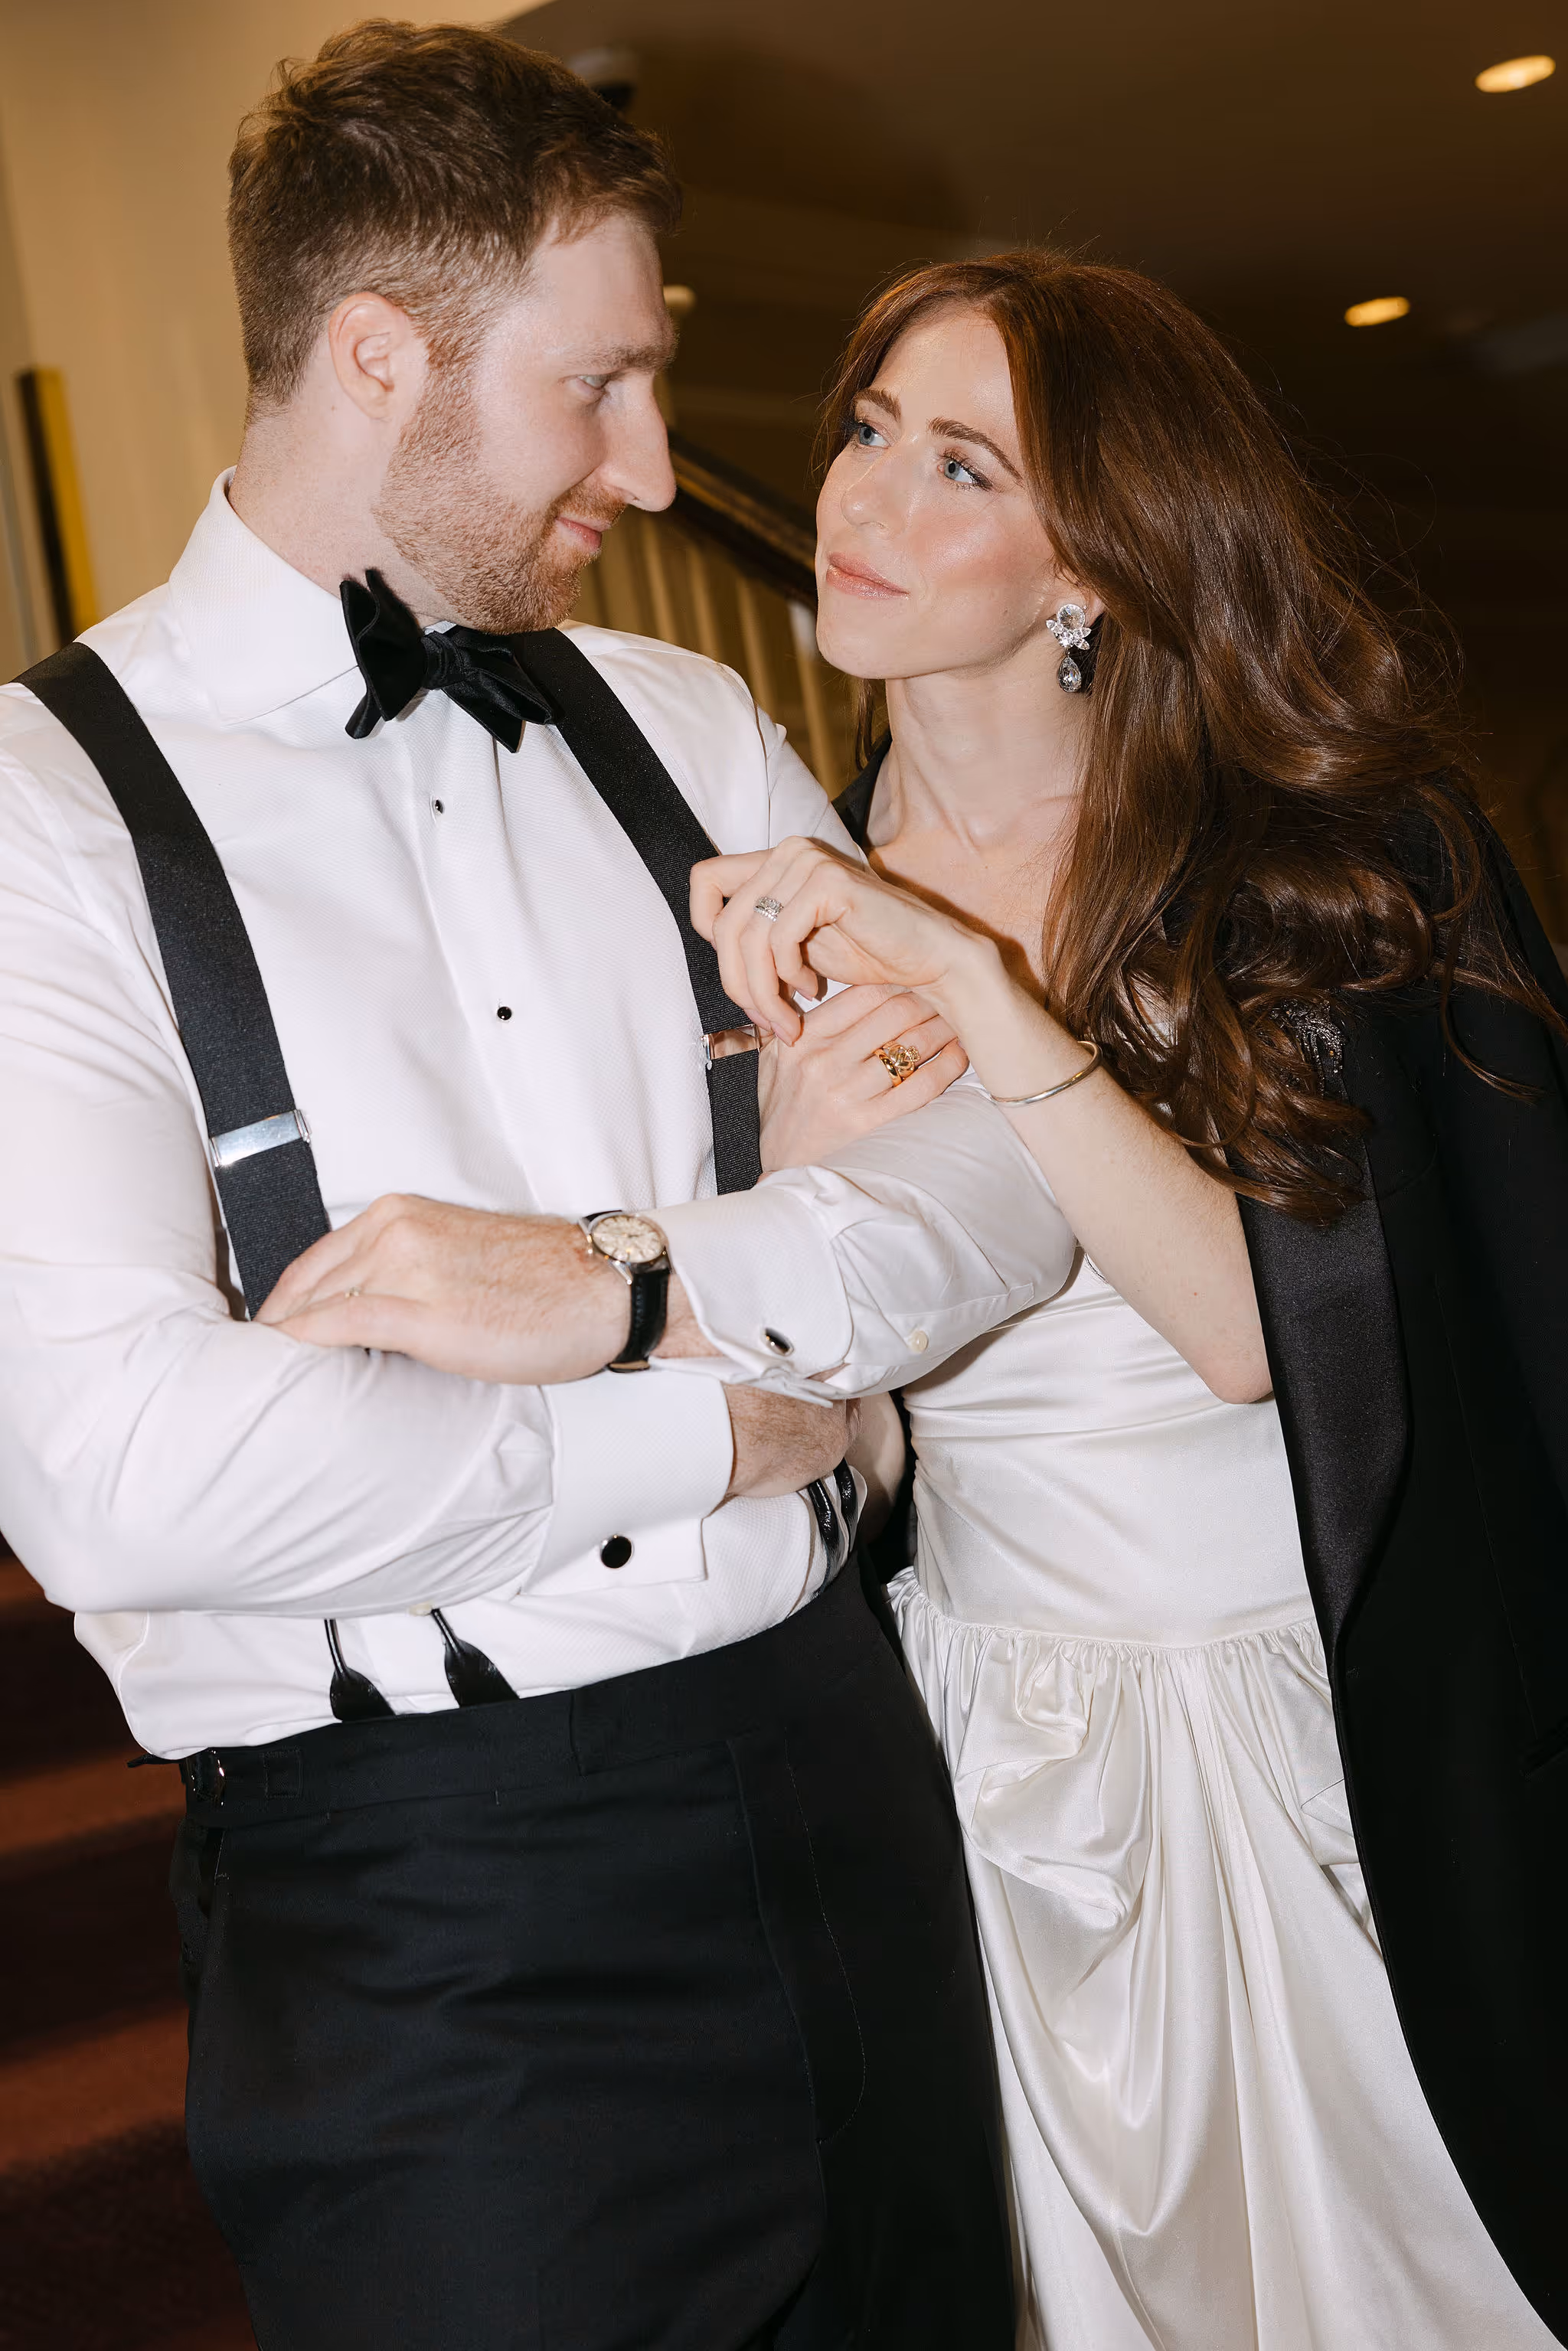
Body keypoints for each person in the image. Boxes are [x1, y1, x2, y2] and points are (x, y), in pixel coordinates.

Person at [0, 34, 1076, 2347]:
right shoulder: (41, 809)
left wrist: (626, 1286)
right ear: (379, 354)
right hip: (443, 1940)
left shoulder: (690, 725)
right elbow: (125, 1474)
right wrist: (717, 1407)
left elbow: (1007, 1176)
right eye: (597, 385)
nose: (658, 463)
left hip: (851, 1777)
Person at [688, 254, 1568, 2350]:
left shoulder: (1319, 864)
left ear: (1093, 567)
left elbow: (1262, 1335)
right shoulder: (767, 868)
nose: (865, 495)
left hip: (1302, 1743)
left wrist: (990, 999)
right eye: (869, 427)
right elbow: (848, 1433)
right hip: (980, 1756)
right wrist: (790, 1201)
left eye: (960, 462)